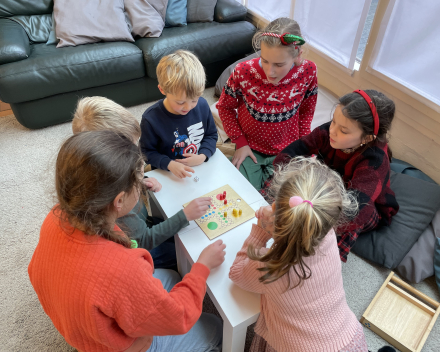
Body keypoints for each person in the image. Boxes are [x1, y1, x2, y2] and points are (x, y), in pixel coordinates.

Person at [28, 130, 225, 352]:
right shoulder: (124, 270)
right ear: (119, 200)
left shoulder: (57, 215)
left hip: (82, 320)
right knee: (215, 326)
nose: (142, 183)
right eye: (139, 181)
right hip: (122, 346)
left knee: (169, 275)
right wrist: (202, 267)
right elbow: (180, 317)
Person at [229, 157, 368, 352]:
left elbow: (236, 273)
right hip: (351, 340)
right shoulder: (326, 234)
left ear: (275, 207)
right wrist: (279, 225)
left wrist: (261, 232)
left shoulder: (271, 266)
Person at [72, 96, 213, 270]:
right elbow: (145, 240)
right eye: (131, 149)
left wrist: (141, 180)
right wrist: (185, 215)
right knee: (187, 252)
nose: (138, 156)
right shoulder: (115, 202)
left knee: (180, 232)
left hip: (141, 226)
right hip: (140, 248)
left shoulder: (103, 173)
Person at [261, 89, 399, 262]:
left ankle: (321, 261)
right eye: (333, 121)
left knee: (339, 232)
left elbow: (356, 213)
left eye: (343, 130)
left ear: (366, 138)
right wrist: (289, 186)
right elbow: (287, 156)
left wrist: (312, 224)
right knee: (281, 179)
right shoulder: (329, 131)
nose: (332, 131)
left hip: (359, 206)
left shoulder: (375, 160)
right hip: (328, 186)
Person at [217, 17, 318, 190]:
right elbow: (224, 107)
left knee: (281, 200)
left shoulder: (308, 71)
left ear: (298, 55)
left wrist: (304, 146)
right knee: (242, 195)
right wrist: (240, 143)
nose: (270, 72)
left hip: (288, 150)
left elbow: (307, 111)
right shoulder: (242, 72)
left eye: (279, 64)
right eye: (264, 60)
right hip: (250, 149)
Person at [140, 50, 218, 179]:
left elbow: (211, 134)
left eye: (194, 100)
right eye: (180, 102)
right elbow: (146, 152)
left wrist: (203, 156)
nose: (188, 107)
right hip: (168, 173)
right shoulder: (150, 119)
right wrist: (169, 164)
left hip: (200, 167)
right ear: (162, 90)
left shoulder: (203, 105)